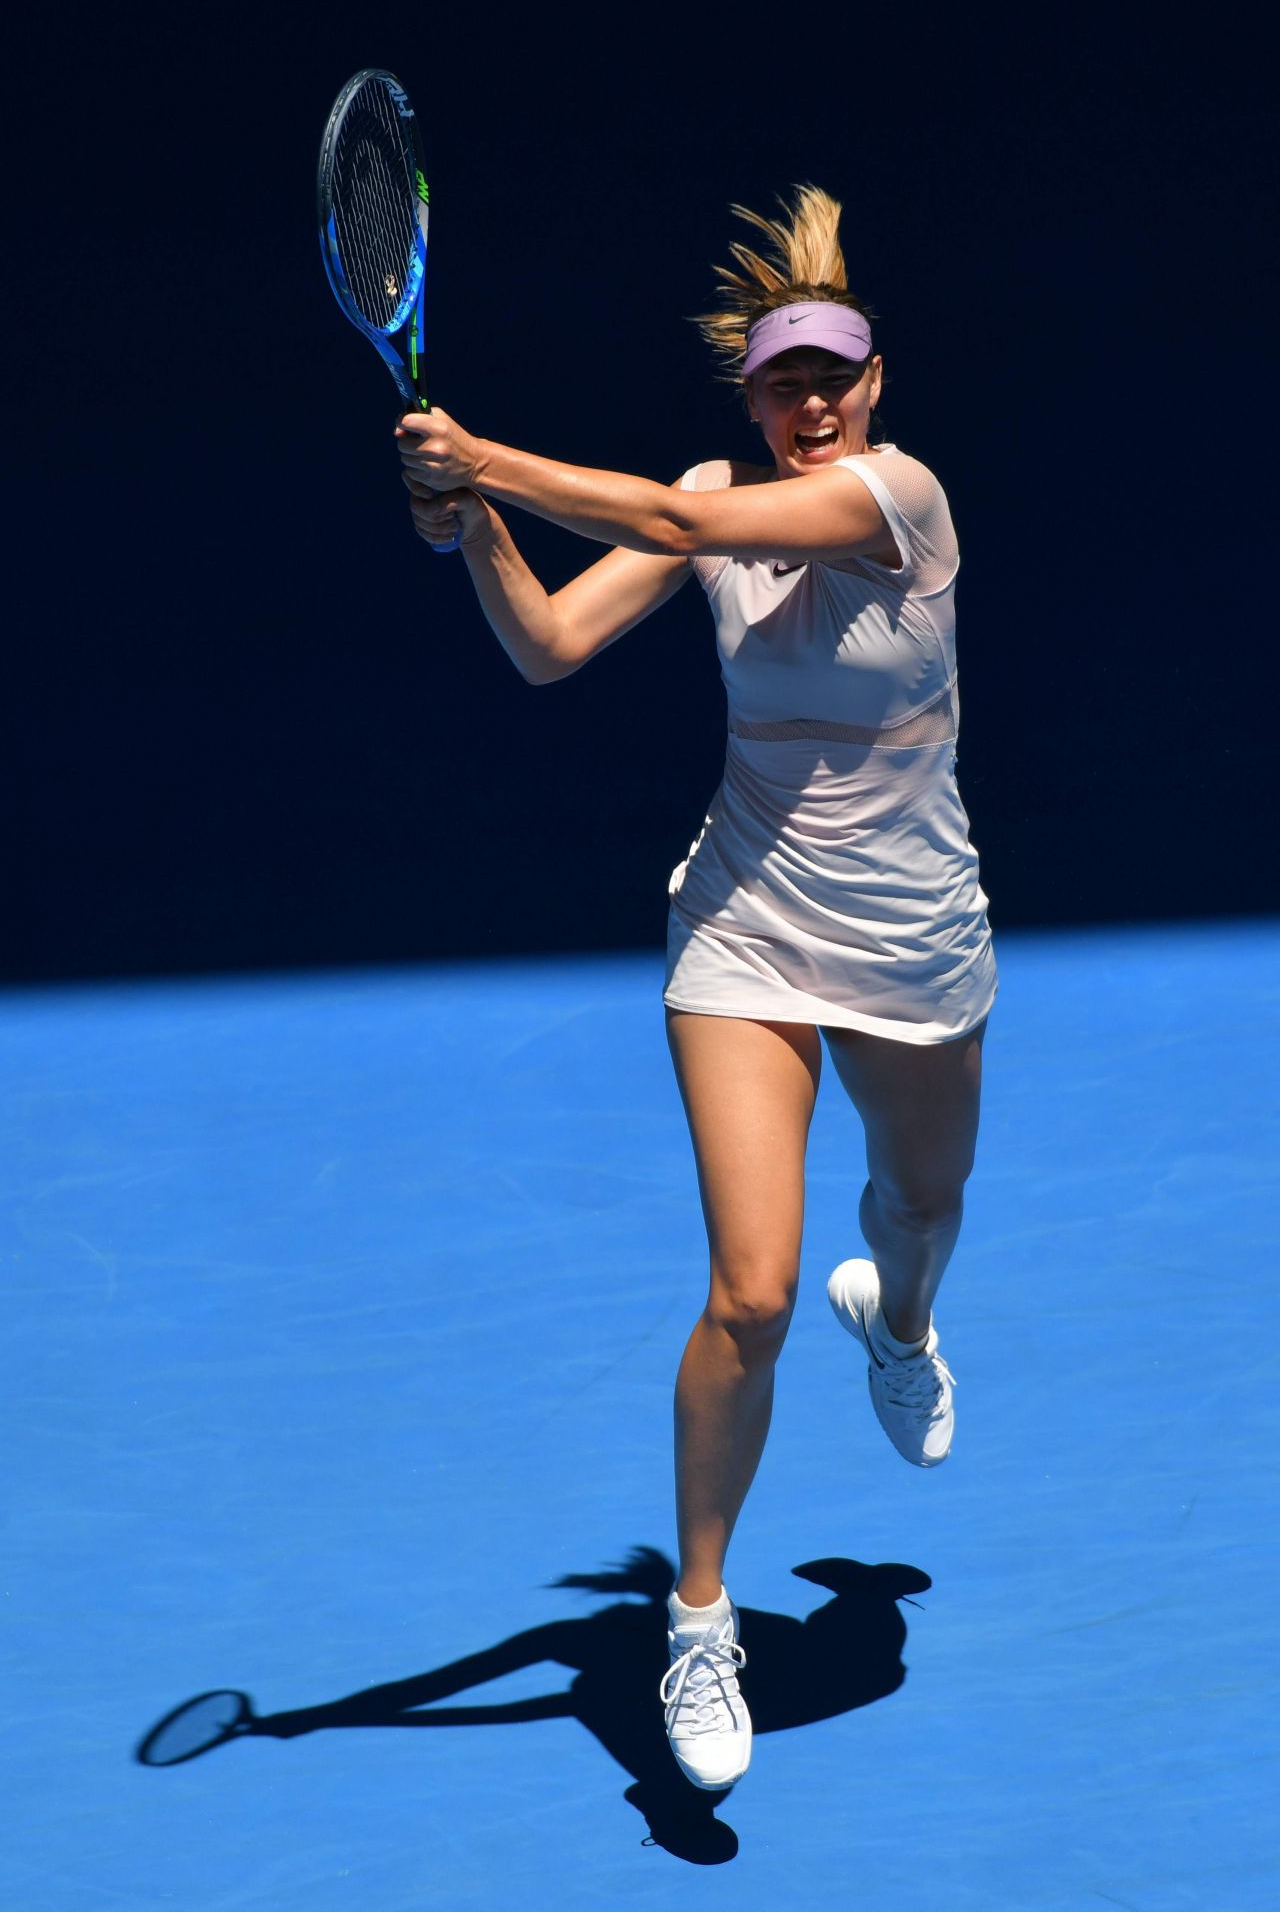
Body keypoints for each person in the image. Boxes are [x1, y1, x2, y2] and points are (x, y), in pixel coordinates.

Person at [395, 185, 997, 1795]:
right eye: (783, 383)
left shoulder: (898, 496)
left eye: (836, 378)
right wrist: (481, 532)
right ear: (748, 396)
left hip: (914, 935)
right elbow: (544, 647)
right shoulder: (712, 490)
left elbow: (673, 531)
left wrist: (486, 458)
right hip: (743, 922)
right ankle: (702, 1616)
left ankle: (911, 1323)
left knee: (918, 1206)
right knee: (751, 1288)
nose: (813, 403)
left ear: (876, 385)